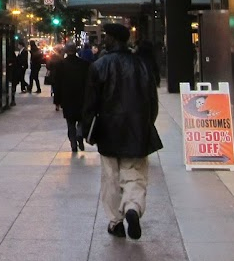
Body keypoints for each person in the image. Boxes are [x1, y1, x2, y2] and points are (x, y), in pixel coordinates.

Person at [81, 23, 163, 241]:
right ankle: (133, 208)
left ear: (111, 39)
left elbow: (90, 103)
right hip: (137, 129)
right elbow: (153, 102)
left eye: (106, 36)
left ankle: (116, 220)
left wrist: (88, 129)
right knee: (135, 174)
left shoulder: (99, 66)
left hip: (109, 129)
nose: (104, 40)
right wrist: (147, 123)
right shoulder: (142, 65)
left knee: (111, 176)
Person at [57, 42, 92, 153]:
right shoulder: (84, 64)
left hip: (67, 98)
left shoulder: (61, 64)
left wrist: (57, 100)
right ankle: (80, 134)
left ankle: (73, 143)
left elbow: (57, 84)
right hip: (82, 97)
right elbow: (89, 82)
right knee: (81, 119)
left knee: (70, 122)